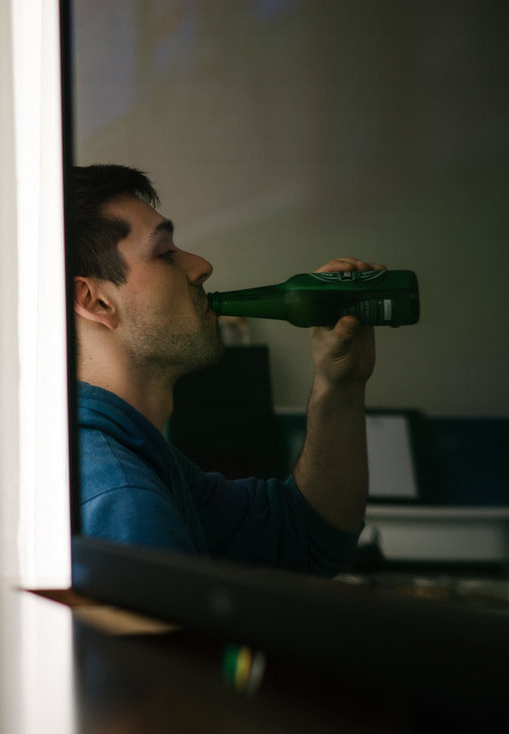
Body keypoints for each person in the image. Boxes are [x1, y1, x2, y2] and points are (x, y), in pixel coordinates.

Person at [70, 163, 377, 576]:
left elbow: (307, 537)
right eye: (165, 253)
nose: (201, 266)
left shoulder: (143, 459)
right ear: (95, 301)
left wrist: (339, 383)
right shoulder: (125, 499)